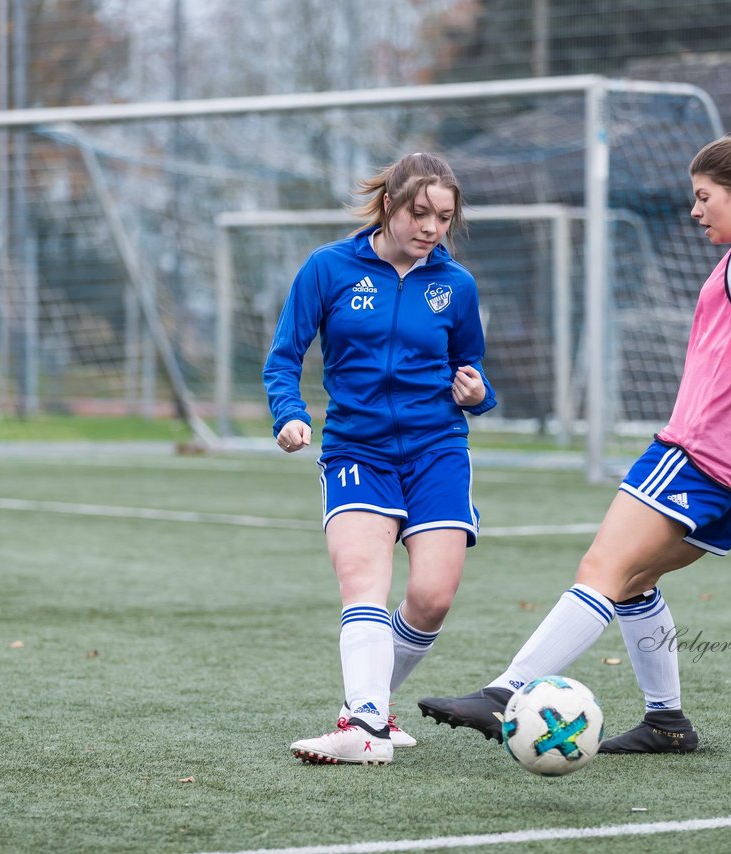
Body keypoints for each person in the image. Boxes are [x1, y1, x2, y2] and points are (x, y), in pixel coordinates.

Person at [417, 108, 731, 754]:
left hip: (700, 454)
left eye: (703, 197)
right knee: (634, 583)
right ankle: (666, 722)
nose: (695, 211)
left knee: (602, 567)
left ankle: (507, 693)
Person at [263, 152, 497, 765]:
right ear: (390, 206)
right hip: (356, 451)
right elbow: (284, 357)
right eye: (419, 213)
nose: (431, 228)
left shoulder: (457, 286)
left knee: (432, 597)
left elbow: (473, 371)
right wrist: (288, 413)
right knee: (364, 581)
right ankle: (366, 726)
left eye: (444, 218)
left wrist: (479, 394)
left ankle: (368, 710)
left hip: (437, 451)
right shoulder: (328, 268)